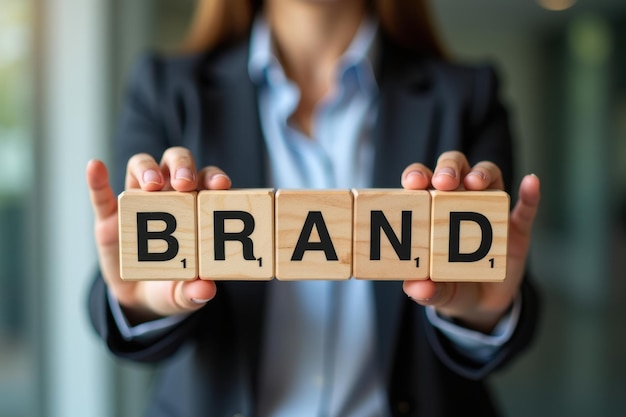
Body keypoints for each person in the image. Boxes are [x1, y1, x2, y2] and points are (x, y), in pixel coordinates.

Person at [86, 0, 541, 415]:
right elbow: (119, 288)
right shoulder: (164, 89)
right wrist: (145, 303)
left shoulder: (468, 97)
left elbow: (503, 296)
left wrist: (479, 312)